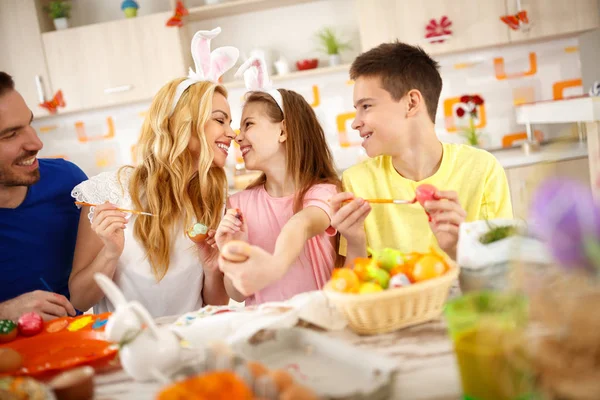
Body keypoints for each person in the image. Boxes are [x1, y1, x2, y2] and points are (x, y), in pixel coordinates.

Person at [68, 28, 239, 317]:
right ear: (183, 124)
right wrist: (110, 252)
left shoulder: (214, 198)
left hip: (191, 344)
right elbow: (79, 300)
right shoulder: (109, 193)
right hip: (126, 349)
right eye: (220, 120)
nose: (231, 133)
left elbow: (215, 305)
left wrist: (212, 271)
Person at [329, 42, 513, 263]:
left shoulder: (482, 169)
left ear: (411, 103)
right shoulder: (357, 183)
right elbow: (355, 288)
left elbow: (502, 274)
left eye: (366, 106)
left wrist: (456, 248)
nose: (355, 123)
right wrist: (356, 242)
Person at [215, 56, 341, 305]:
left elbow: (302, 224)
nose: (238, 138)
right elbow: (237, 293)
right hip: (266, 331)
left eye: (248, 124)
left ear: (283, 131)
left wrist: (274, 266)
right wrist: (231, 250)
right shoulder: (239, 204)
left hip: (320, 325)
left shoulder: (324, 193)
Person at [0, 71, 84, 321]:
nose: (36, 143)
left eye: (30, 124)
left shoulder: (69, 183)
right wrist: (6, 313)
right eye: (10, 134)